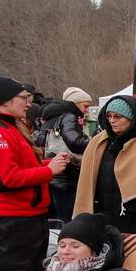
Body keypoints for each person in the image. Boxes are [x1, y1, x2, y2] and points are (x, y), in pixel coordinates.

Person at [0, 74, 69, 271]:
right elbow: (5, 180)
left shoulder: (6, 126)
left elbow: (18, 168)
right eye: (24, 98)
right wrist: (48, 171)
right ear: (5, 101)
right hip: (14, 221)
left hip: (28, 217)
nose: (29, 103)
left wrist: (48, 165)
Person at [73, 95, 136, 234]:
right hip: (102, 214)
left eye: (118, 117)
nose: (112, 121)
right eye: (109, 116)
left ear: (132, 119)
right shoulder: (99, 141)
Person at [35, 86, 92, 222]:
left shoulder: (52, 117)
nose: (87, 110)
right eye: (85, 105)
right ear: (75, 103)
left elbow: (40, 141)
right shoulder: (69, 116)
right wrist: (94, 143)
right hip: (67, 175)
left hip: (53, 176)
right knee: (69, 219)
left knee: (57, 219)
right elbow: (74, 142)